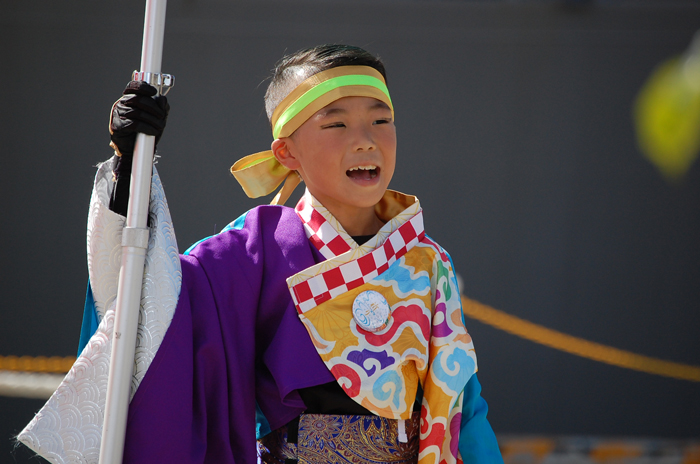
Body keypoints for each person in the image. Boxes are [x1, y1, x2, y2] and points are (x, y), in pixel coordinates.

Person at [23, 44, 503, 464]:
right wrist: (131, 168)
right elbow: (152, 300)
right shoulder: (255, 251)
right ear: (287, 152)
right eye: (336, 122)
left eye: (381, 119)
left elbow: (463, 406)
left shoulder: (427, 261)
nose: (366, 139)